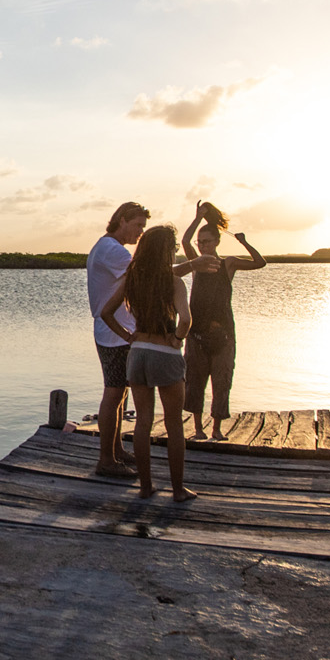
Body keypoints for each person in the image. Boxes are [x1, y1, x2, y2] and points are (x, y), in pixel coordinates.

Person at [87, 203, 217, 477]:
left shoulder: (105, 246)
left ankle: (117, 451)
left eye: (143, 228)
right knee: (113, 394)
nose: (140, 234)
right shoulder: (113, 250)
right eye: (138, 226)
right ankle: (106, 460)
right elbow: (151, 275)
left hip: (116, 333)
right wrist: (193, 265)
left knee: (120, 395)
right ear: (121, 220)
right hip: (115, 335)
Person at [100, 225, 195, 501]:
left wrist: (128, 337)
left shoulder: (133, 280)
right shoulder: (174, 282)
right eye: (173, 248)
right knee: (174, 425)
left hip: (138, 354)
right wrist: (177, 338)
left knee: (143, 422)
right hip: (165, 354)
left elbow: (106, 312)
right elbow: (186, 320)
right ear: (166, 251)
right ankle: (178, 490)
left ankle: (145, 487)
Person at [180, 201, 265, 439]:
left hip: (223, 334)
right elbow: (185, 241)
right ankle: (198, 429)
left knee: (222, 381)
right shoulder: (197, 264)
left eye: (207, 241)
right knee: (194, 382)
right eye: (200, 242)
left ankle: (216, 429)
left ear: (217, 242)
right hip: (197, 334)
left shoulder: (228, 264)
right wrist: (198, 217)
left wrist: (244, 242)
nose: (202, 245)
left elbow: (260, 263)